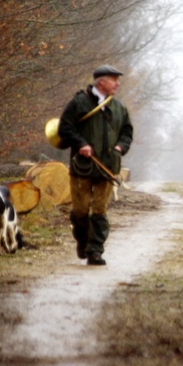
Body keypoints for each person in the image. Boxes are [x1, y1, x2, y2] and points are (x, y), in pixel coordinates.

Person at [58, 64, 133, 266]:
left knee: (100, 210)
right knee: (80, 210)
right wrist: (81, 144)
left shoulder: (119, 108)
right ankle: (83, 241)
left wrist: (120, 147)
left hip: (108, 167)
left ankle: (95, 252)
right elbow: (64, 129)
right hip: (82, 166)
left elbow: (127, 132)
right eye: (113, 79)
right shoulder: (79, 102)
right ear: (101, 82)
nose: (117, 84)